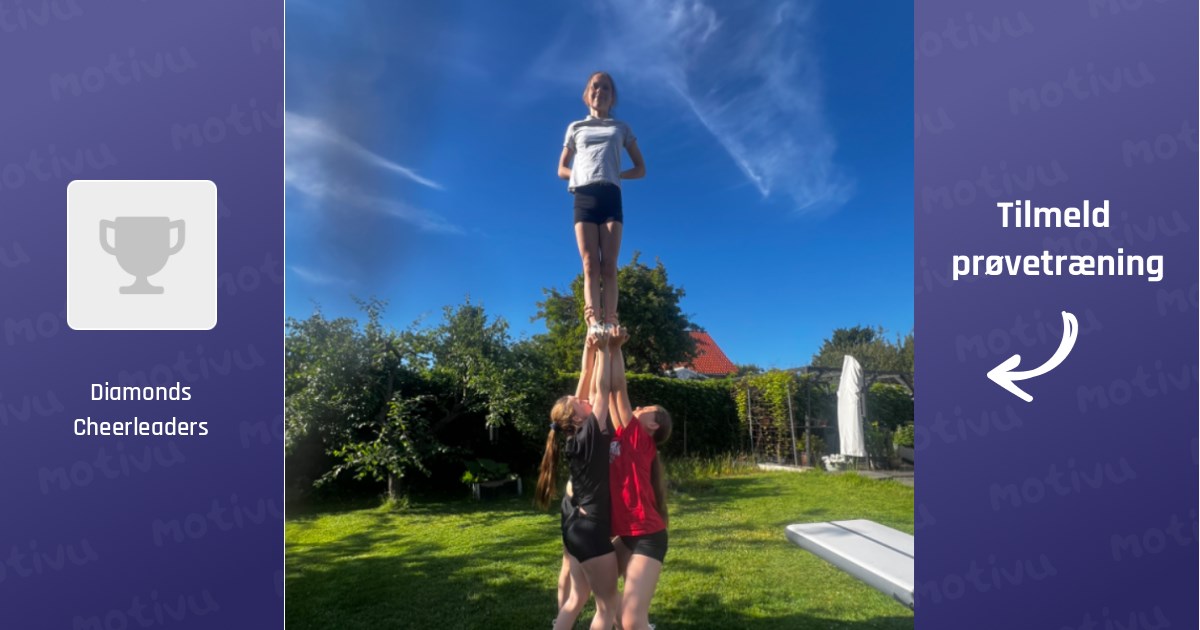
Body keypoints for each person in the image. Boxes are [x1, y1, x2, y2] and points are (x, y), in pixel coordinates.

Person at [536, 333, 620, 630]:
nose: (585, 399)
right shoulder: (589, 434)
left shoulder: (575, 439)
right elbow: (604, 389)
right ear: (576, 418)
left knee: (576, 599)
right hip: (590, 531)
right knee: (607, 606)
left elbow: (593, 385)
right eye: (579, 401)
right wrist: (608, 350)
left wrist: (593, 348)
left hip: (575, 528)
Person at [558, 71, 646, 339]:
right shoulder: (576, 128)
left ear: (612, 96)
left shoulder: (621, 128)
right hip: (584, 196)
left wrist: (615, 173)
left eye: (606, 88)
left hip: (611, 196)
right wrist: (581, 176)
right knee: (589, 264)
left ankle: (610, 321)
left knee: (609, 264)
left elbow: (641, 168)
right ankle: (593, 321)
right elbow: (561, 168)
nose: (600, 91)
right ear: (587, 94)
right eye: (595, 87)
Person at [607, 327, 671, 630]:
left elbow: (619, 387)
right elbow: (605, 391)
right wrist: (600, 348)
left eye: (647, 409)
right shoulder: (623, 434)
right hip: (626, 534)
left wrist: (616, 347)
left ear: (655, 426)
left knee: (632, 620)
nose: (640, 407)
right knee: (604, 592)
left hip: (647, 536)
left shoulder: (640, 440)